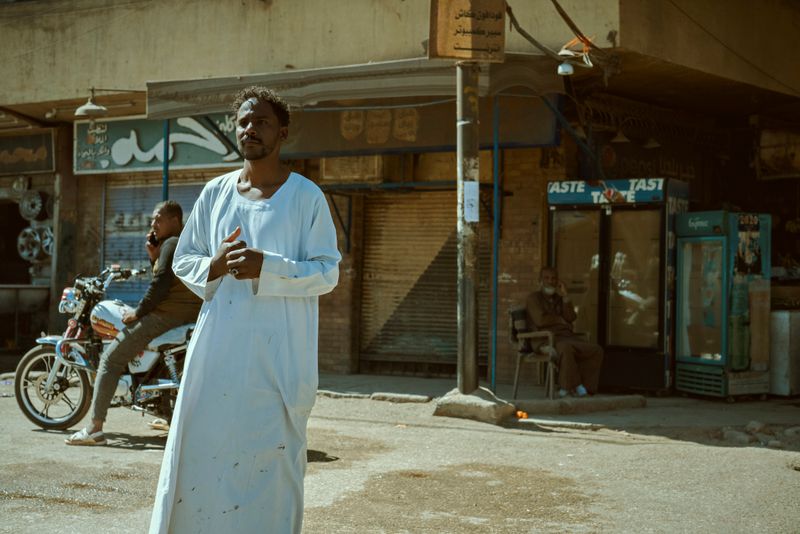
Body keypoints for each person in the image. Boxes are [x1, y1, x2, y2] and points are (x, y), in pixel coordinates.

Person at [148, 86, 340, 534]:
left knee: (274, 468)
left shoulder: (305, 196)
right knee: (202, 459)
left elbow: (327, 272)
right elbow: (184, 259)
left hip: (280, 362)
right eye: (245, 121)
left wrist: (265, 267)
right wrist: (214, 265)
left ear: (283, 132)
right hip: (218, 356)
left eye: (262, 122)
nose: (251, 128)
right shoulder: (215, 193)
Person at [65, 200, 202, 446]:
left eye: (158, 219)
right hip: (184, 315)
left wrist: (138, 312)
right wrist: (153, 257)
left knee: (110, 359)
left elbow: (160, 286)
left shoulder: (171, 244)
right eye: (152, 220)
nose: (153, 225)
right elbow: (168, 279)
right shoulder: (181, 244)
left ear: (174, 220)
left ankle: (94, 428)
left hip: (165, 316)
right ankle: (164, 413)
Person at [526, 266, 603, 397]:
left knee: (595, 350)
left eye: (554, 278)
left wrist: (565, 296)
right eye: (547, 278)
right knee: (566, 349)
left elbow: (571, 317)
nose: (550, 281)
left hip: (566, 336)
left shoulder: (559, 298)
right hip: (546, 338)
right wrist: (561, 320)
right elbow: (540, 320)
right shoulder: (534, 298)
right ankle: (568, 388)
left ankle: (586, 387)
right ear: (540, 280)